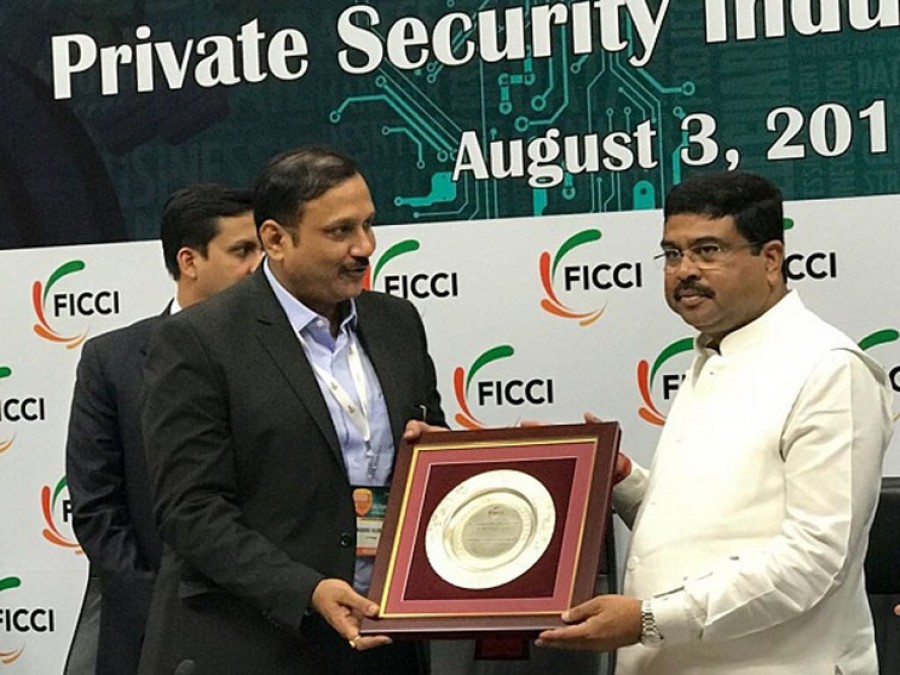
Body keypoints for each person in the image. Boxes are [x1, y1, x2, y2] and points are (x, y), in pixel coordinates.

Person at [536, 172, 894, 674]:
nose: (685, 271)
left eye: (708, 251)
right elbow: (715, 526)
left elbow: (814, 562)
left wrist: (648, 620)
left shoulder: (829, 369)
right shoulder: (714, 352)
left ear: (770, 260)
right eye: (672, 254)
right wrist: (623, 480)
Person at [137, 147, 446, 675]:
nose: (364, 247)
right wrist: (307, 591)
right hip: (262, 643)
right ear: (276, 240)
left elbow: (432, 447)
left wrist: (468, 457)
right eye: (340, 231)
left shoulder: (397, 322)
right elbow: (191, 509)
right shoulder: (199, 340)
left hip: (388, 639)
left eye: (368, 225)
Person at [65, 184, 260, 675]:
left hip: (272, 628)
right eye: (242, 251)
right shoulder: (112, 361)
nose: (259, 266)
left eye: (263, 249)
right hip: (152, 635)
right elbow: (97, 509)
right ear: (189, 261)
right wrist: (161, 614)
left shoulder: (291, 355)